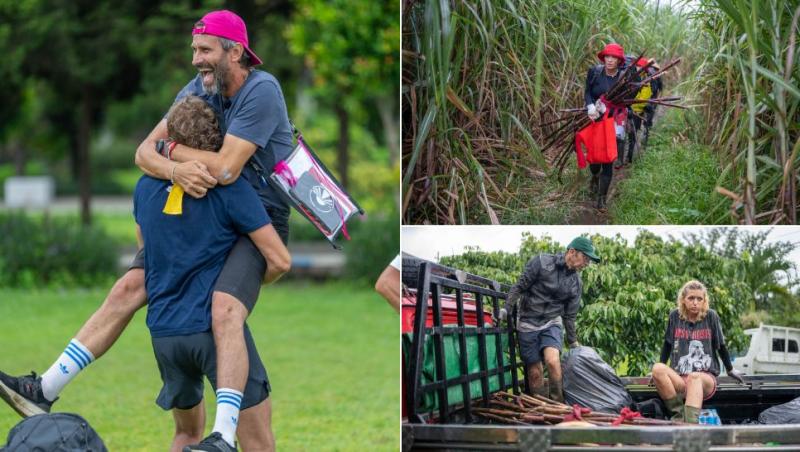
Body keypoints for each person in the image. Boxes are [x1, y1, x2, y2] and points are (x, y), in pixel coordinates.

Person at [0, 9, 294, 443]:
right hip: (209, 209)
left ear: (235, 52)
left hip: (256, 220)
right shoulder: (200, 86)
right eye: (194, 49)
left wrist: (170, 152)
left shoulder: (262, 90)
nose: (195, 59)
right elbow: (143, 153)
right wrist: (176, 169)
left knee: (224, 308)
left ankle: (223, 436)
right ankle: (44, 388)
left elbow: (228, 169)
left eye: (204, 50)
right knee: (127, 288)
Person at [142, 95, 289, 452]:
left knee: (186, 435)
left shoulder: (144, 188)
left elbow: (146, 249)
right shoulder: (229, 189)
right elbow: (280, 260)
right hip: (212, 332)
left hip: (164, 334)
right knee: (255, 438)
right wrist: (249, 282)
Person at [499, 237, 600, 402]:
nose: (587, 263)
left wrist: (573, 341)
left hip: (552, 321)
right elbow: (519, 286)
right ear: (572, 252)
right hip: (528, 322)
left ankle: (558, 404)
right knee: (535, 372)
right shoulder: (541, 262)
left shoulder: (576, 282)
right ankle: (541, 407)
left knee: (553, 362)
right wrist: (506, 309)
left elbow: (570, 315)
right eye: (586, 258)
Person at [650, 280, 745, 423]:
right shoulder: (674, 316)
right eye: (691, 298)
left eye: (699, 299)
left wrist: (730, 369)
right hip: (680, 378)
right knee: (657, 368)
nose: (695, 302)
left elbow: (721, 345)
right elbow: (667, 344)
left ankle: (690, 426)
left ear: (704, 300)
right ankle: (678, 416)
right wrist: (658, 375)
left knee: (695, 377)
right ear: (683, 300)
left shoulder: (711, 316)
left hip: (704, 378)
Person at [584, 43, 628, 210]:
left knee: (608, 159)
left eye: (614, 57)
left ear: (619, 61)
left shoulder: (623, 78)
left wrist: (608, 108)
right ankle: (594, 176)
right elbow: (587, 91)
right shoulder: (594, 72)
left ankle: (601, 199)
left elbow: (626, 100)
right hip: (595, 119)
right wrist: (590, 106)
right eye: (607, 57)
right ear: (604, 58)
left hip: (613, 122)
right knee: (595, 159)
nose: (610, 60)